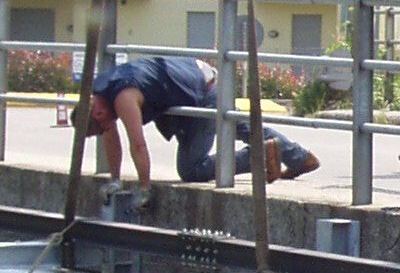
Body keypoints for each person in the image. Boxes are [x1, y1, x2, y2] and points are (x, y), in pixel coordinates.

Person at [77, 55, 319, 203]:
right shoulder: (100, 94)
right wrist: (115, 180)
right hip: (199, 78)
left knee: (191, 170)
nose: (108, 130)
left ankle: (260, 156)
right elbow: (111, 139)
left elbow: (137, 145)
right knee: (238, 125)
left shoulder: (123, 97)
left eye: (102, 128)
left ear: (98, 114)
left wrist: (144, 188)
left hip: (201, 95)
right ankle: (300, 158)